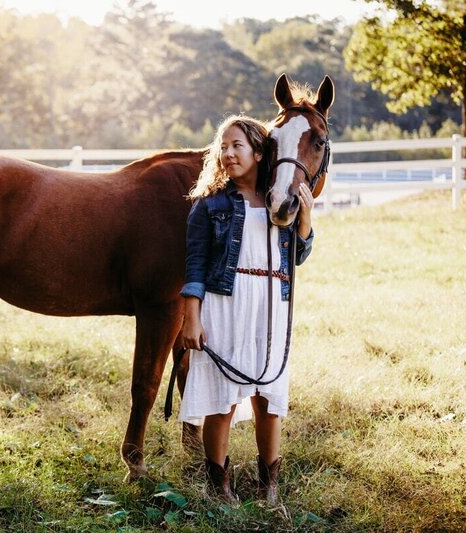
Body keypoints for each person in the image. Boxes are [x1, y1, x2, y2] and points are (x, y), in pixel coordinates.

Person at [178, 114, 314, 505]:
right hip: (227, 302)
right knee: (223, 399)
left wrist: (304, 220)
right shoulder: (210, 206)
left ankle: (269, 485)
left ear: (258, 152)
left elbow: (298, 257)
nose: (228, 153)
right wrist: (192, 316)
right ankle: (218, 485)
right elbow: (195, 264)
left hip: (271, 304)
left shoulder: (279, 200)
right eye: (222, 147)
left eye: (237, 146)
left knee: (268, 399)